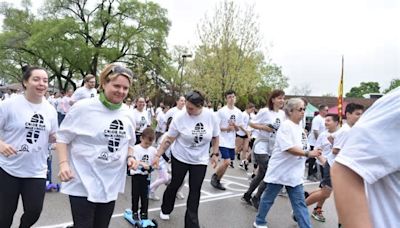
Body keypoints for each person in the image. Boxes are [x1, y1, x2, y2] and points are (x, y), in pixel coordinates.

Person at [56, 63, 136, 228]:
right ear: (104, 83)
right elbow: (62, 137)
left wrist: (130, 156)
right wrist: (63, 164)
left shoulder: (128, 113)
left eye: (125, 88)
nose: (121, 91)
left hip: (110, 184)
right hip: (81, 181)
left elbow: (130, 143)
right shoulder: (83, 107)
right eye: (116, 86)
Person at [331, 88, 399, 228]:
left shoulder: (352, 129)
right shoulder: (345, 130)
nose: (360, 117)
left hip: (362, 168)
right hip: (340, 164)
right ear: (347, 114)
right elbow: (342, 161)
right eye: (357, 114)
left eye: (361, 114)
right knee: (324, 192)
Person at [0, 66, 58, 228]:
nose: (42, 84)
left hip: (36, 170)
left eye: (45, 81)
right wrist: (1, 144)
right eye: (36, 79)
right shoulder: (9, 105)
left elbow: (53, 135)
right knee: (4, 215)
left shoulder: (50, 110)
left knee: (34, 211)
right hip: (8, 169)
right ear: (25, 82)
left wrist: (57, 138)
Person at [153, 90, 220, 228]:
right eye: (186, 107)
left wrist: (215, 153)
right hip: (181, 157)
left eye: (191, 108)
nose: (188, 110)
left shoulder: (211, 116)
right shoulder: (180, 117)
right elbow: (169, 139)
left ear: (200, 105)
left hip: (200, 160)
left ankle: (191, 224)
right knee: (175, 184)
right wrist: (158, 155)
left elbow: (215, 136)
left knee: (195, 191)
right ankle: (166, 208)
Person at [253, 98, 321, 228]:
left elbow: (303, 147)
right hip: (280, 171)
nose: (303, 112)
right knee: (268, 198)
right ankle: (259, 221)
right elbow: (288, 148)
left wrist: (316, 153)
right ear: (290, 111)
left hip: (294, 173)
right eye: (300, 109)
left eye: (304, 109)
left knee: (300, 203)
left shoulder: (300, 128)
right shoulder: (285, 126)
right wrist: (308, 154)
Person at [243, 89, 285, 208]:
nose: (282, 100)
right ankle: (257, 197)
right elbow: (251, 123)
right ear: (273, 100)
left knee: (261, 174)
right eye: (279, 98)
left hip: (273, 146)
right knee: (269, 171)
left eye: (283, 98)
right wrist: (264, 127)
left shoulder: (282, 114)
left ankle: (247, 194)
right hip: (261, 144)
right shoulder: (265, 111)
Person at [304, 114, 339, 222]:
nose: (326, 122)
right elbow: (317, 149)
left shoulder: (341, 133)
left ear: (336, 122)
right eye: (325, 120)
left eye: (329, 120)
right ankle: (312, 208)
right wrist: (324, 162)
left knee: (324, 190)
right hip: (325, 165)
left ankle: (307, 196)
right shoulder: (323, 135)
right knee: (326, 191)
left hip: (335, 166)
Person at [211, 90, 244, 190]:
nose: (231, 99)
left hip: (231, 141)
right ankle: (215, 177)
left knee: (227, 163)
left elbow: (238, 129)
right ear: (226, 99)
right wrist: (227, 129)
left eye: (233, 97)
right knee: (227, 162)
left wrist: (235, 126)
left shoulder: (238, 112)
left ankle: (217, 179)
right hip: (222, 140)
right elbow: (216, 127)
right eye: (229, 97)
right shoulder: (221, 111)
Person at [129, 127, 157, 221]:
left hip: (146, 176)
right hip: (136, 175)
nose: (147, 145)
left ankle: (144, 213)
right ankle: (135, 212)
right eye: (146, 143)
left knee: (145, 196)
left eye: (150, 144)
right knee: (135, 195)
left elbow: (155, 163)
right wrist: (141, 164)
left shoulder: (153, 150)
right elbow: (134, 162)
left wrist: (151, 167)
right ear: (141, 138)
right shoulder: (136, 148)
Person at [307, 104, 328, 180]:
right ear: (321, 110)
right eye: (326, 110)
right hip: (314, 142)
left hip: (321, 143)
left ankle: (315, 172)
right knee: (312, 158)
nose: (327, 112)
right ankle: (310, 174)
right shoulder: (317, 119)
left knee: (319, 158)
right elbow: (315, 131)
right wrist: (318, 141)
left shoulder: (324, 119)